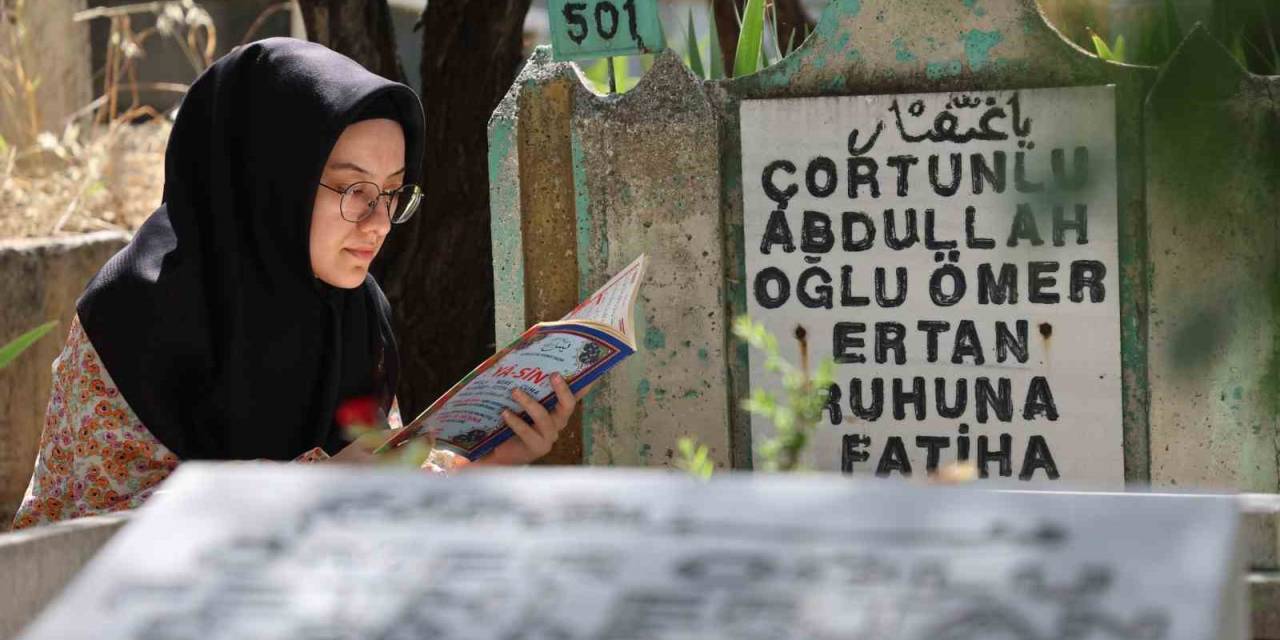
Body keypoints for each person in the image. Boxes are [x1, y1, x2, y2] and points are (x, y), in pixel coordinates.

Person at [11, 38, 580, 530]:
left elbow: (381, 488)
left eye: (392, 193)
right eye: (354, 190)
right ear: (270, 180)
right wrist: (314, 485)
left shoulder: (356, 311)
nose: (380, 223)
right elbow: (77, 538)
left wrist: (489, 460)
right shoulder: (134, 315)